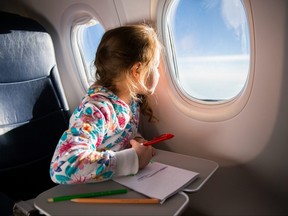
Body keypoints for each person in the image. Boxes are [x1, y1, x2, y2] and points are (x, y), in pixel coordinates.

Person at [50, 24, 162, 184]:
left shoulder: (129, 102)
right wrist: (133, 159)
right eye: (156, 66)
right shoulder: (96, 109)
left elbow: (117, 137)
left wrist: (137, 141)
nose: (158, 72)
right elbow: (62, 166)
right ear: (137, 70)